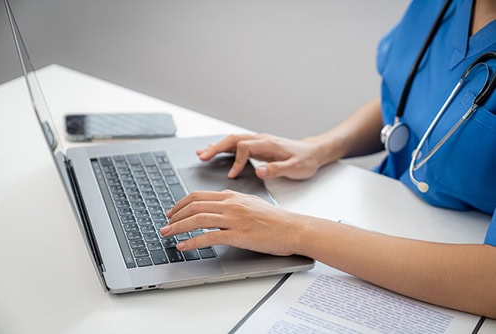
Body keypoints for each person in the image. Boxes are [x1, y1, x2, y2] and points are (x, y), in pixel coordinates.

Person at [161, 0, 496, 318]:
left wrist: (293, 231)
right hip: (379, 218)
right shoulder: (443, 6)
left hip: (449, 266)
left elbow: (490, 284)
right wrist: (318, 148)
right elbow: (411, 100)